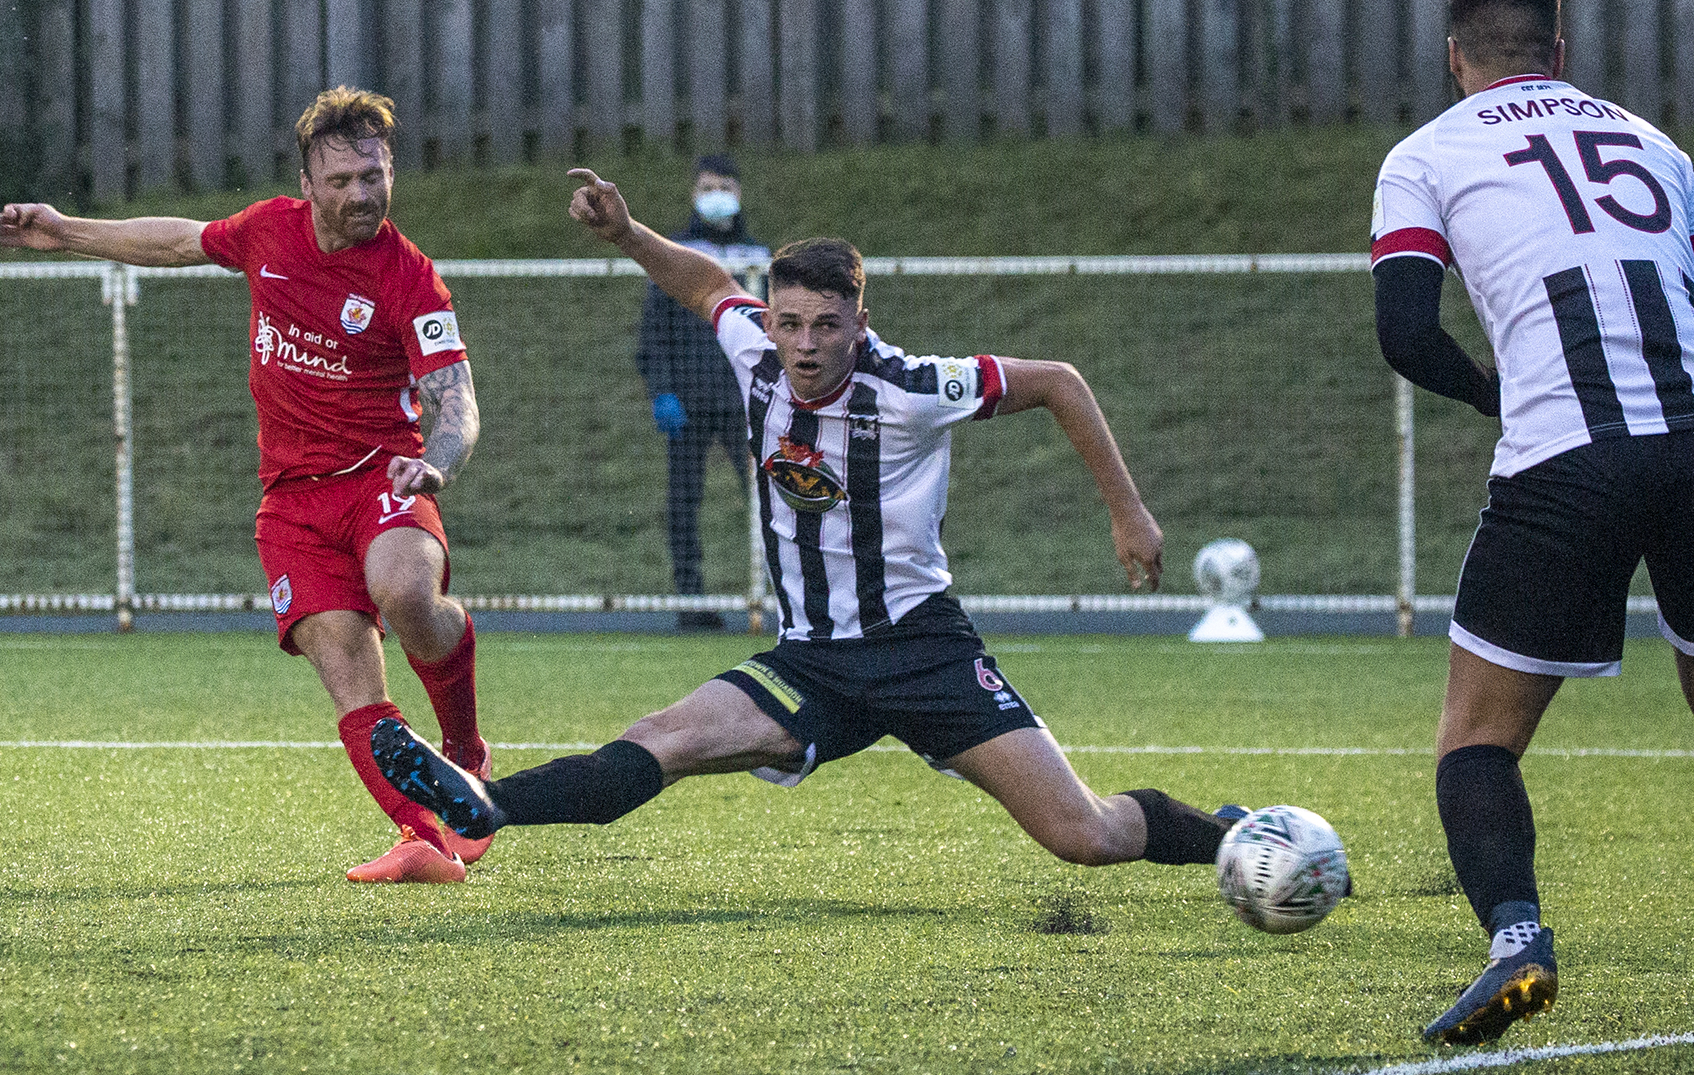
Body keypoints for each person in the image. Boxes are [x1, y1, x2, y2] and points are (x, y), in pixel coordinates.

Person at [369, 167, 1268, 892]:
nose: (803, 344)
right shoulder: (754, 352)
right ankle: (486, 803)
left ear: (858, 324)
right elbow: (707, 283)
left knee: (1086, 834)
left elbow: (1060, 381)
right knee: (666, 735)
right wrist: (628, 235)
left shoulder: (912, 387)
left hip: (923, 650)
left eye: (826, 326)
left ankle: (1226, 836)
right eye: (789, 322)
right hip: (811, 661)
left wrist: (1127, 509)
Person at [0, 87, 495, 884]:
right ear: (307, 184)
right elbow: (174, 241)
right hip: (293, 504)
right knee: (348, 673)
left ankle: (465, 750)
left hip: (382, 480)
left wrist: (438, 459)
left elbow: (456, 398)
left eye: (374, 175)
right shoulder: (267, 232)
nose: (361, 193)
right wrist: (66, 231)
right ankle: (423, 837)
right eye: (342, 181)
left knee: (404, 590)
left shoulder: (411, 279)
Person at [1372, 0, 1694, 1045]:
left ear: (1455, 56)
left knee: (1478, 739)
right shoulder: (1657, 147)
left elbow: (1407, 332)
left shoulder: (1426, 155)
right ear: (1559, 54)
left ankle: (1518, 942)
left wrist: (1490, 394)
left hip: (1565, 457)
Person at [635, 155, 772, 630]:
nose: (717, 195)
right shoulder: (675, 256)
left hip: (746, 403)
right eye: (708, 186)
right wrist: (662, 392)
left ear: (738, 192)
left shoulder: (760, 258)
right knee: (683, 506)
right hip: (688, 405)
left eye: (725, 186)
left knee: (771, 500)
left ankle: (782, 598)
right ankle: (691, 601)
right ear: (695, 194)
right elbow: (654, 334)